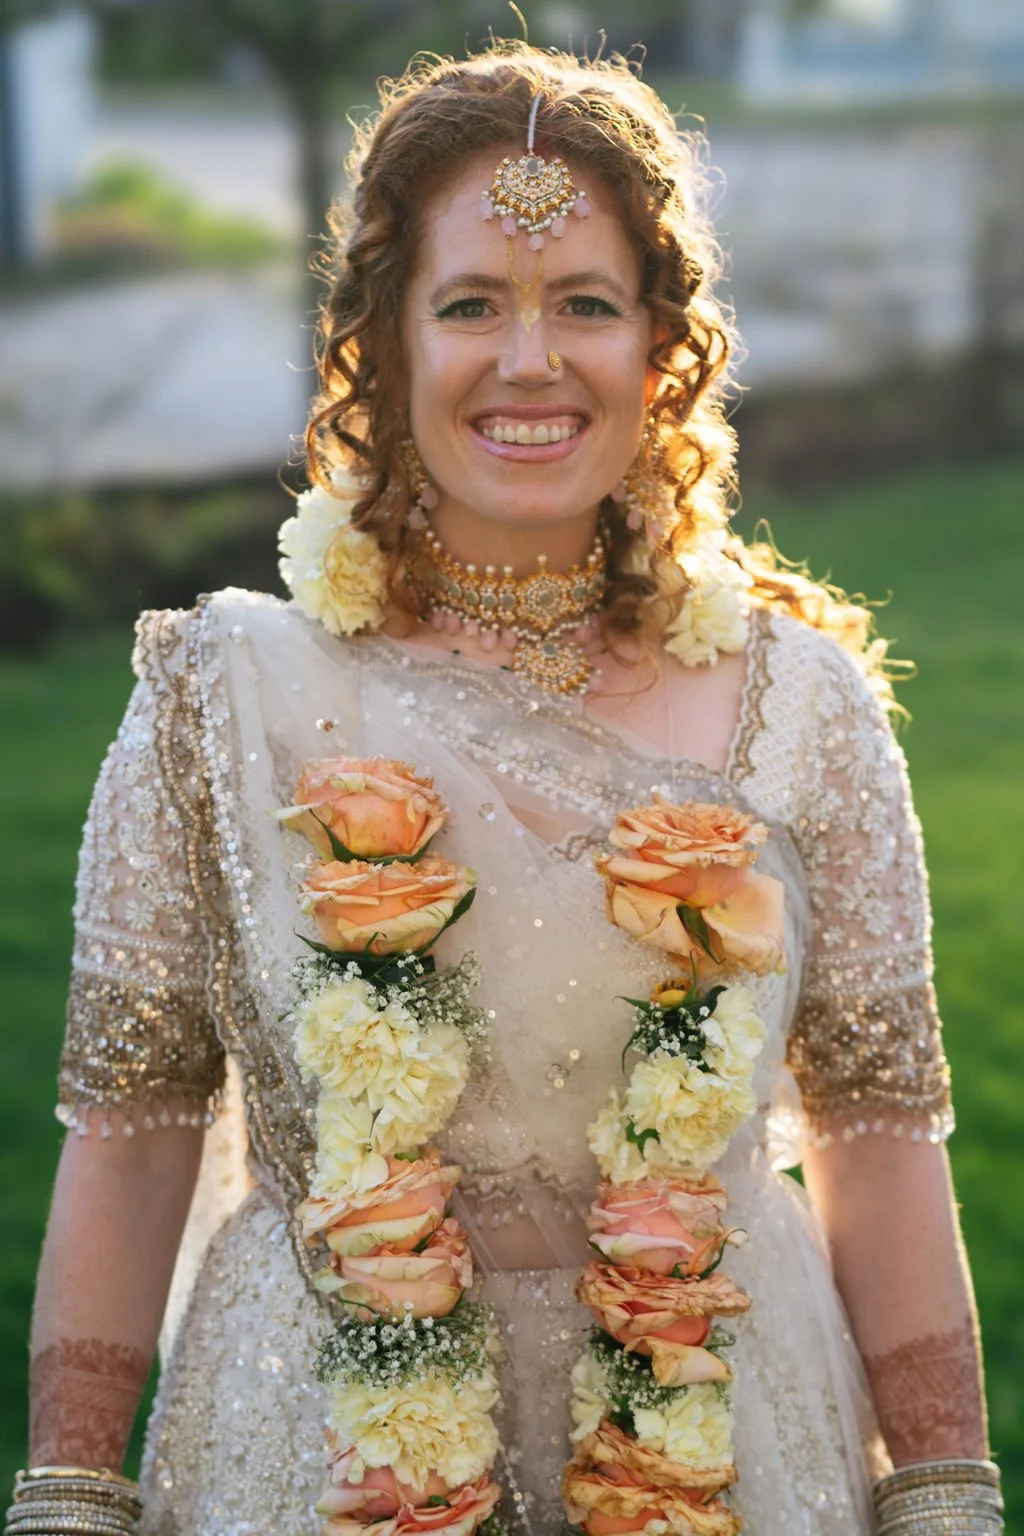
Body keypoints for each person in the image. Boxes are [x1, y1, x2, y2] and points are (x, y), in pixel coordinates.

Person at [10, 41, 1000, 1536]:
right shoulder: (223, 697)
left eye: (585, 305)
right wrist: (73, 1500)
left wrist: (941, 1495)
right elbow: (133, 1134)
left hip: (729, 1439)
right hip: (316, 1445)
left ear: (661, 348)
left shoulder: (804, 706)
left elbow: (884, 1145)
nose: (529, 361)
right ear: (386, 343)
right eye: (471, 303)